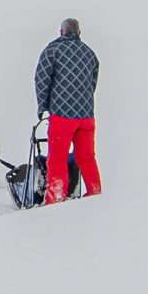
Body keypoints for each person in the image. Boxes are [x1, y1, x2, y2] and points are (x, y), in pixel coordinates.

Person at [33, 16, 102, 202]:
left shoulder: (53, 50)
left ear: (61, 31)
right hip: (86, 115)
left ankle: (55, 199)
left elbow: (42, 80)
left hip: (62, 115)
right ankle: (95, 195)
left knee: (57, 159)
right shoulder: (89, 53)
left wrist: (43, 106)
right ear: (79, 33)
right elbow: (92, 82)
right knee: (86, 157)